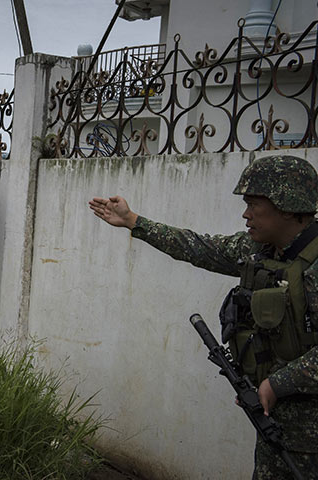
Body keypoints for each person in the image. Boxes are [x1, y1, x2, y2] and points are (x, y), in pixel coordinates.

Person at [89, 154, 318, 479]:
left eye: (254, 205)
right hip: (272, 426)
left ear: (287, 206)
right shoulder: (261, 251)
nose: (245, 214)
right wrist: (134, 221)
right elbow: (198, 247)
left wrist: (277, 384)